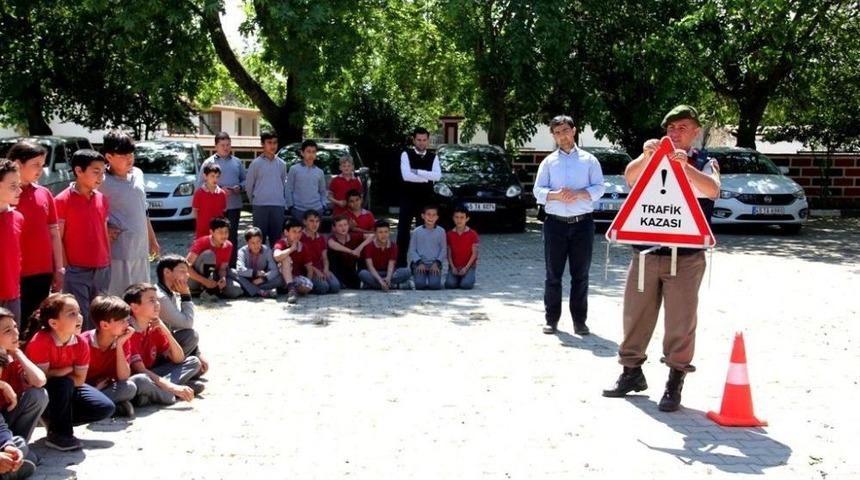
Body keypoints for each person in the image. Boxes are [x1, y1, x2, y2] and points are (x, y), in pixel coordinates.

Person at [603, 105, 720, 412]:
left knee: (680, 322)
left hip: (685, 257)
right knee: (635, 316)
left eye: (682, 127)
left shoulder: (705, 162)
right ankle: (631, 373)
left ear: (696, 131)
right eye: (671, 128)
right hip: (646, 252)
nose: (675, 133)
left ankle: (674, 381)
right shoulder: (654, 155)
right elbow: (629, 178)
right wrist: (645, 157)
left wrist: (687, 169)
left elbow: (713, 190)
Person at [533, 115, 605, 336]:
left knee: (580, 275)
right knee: (553, 275)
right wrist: (556, 195)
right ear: (553, 136)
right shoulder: (548, 162)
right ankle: (551, 320)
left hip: (582, 224)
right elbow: (538, 191)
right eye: (557, 133)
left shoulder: (589, 160)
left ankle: (579, 322)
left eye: (565, 130)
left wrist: (580, 193)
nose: (562, 136)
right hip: (555, 225)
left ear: (573, 130)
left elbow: (599, 188)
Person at [24, 294, 115, 451]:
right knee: (63, 383)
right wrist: (66, 370)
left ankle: (54, 419)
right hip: (41, 393)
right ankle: (60, 434)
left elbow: (80, 380)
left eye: (78, 311)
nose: (79, 317)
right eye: (72, 313)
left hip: (69, 387)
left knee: (105, 407)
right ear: (54, 323)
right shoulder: (40, 342)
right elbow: (40, 380)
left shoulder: (80, 343)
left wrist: (57, 373)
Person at [8, 141, 64, 326]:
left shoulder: (44, 193)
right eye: (36, 165)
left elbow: (54, 233)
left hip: (42, 271)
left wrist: (59, 268)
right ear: (17, 164)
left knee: (36, 323)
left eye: (43, 164)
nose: (41, 170)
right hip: (14, 273)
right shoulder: (6, 196)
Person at [55, 149, 112, 331]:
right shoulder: (62, 200)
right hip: (76, 269)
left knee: (101, 314)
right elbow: (58, 237)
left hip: (102, 267)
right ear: (78, 171)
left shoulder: (102, 198)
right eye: (96, 172)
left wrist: (107, 259)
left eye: (103, 172)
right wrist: (65, 268)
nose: (101, 177)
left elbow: (103, 230)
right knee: (81, 316)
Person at [99, 131, 160, 296]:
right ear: (109, 157)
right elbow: (88, 209)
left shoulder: (138, 174)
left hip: (140, 249)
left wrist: (152, 239)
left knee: (141, 296)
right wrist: (104, 227)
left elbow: (143, 209)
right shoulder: (100, 180)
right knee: (119, 298)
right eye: (123, 155)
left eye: (131, 154)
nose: (129, 158)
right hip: (118, 251)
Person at [123, 284, 202, 407]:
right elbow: (140, 370)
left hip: (153, 373)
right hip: (135, 378)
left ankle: (153, 394)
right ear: (134, 307)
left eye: (157, 300)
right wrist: (174, 388)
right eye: (151, 300)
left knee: (193, 362)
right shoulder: (127, 330)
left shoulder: (153, 325)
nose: (157, 304)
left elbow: (178, 358)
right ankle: (168, 394)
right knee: (142, 381)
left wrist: (165, 330)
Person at [0, 308, 48, 451]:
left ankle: (17, 446)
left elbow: (39, 380)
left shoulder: (13, 356)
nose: (16, 333)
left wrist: (18, 352)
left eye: (15, 327)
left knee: (39, 395)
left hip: (6, 417)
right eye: (7, 331)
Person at [81, 296, 136, 418]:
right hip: (85, 389)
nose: (127, 324)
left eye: (127, 320)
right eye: (122, 321)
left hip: (108, 387)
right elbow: (76, 380)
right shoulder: (84, 342)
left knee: (130, 387)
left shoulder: (123, 340)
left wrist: (120, 345)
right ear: (105, 325)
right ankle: (108, 407)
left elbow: (123, 377)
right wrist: (96, 390)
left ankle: (105, 407)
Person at [198, 132, 245, 267]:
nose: (226, 148)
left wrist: (239, 187)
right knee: (216, 237)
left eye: (228, 145)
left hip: (234, 205)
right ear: (216, 146)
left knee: (232, 237)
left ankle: (231, 266)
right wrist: (218, 190)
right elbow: (200, 184)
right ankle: (215, 266)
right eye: (222, 145)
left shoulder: (237, 162)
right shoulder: (208, 163)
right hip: (215, 207)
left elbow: (245, 180)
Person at [155, 255, 208, 373]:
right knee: (191, 335)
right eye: (183, 271)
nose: (187, 275)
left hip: (164, 343)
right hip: (153, 350)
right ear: (167, 272)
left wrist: (197, 352)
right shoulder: (160, 297)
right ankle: (168, 373)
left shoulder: (169, 292)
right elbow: (186, 323)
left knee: (190, 340)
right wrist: (186, 295)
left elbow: (178, 325)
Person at [396, 127, 441, 267]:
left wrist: (417, 172)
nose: (421, 143)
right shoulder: (406, 154)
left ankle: (421, 263)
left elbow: (437, 176)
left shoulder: (434, 156)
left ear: (428, 140)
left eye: (424, 140)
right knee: (403, 231)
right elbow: (406, 176)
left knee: (423, 232)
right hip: (407, 198)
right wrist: (426, 177)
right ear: (414, 140)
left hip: (425, 200)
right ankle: (400, 263)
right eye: (419, 140)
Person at [245, 131, 286, 246]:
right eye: (269, 142)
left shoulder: (282, 164)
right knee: (258, 239)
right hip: (260, 205)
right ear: (262, 144)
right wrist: (254, 201)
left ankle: (275, 263)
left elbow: (283, 184)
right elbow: (249, 186)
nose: (272, 146)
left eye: (275, 143)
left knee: (276, 239)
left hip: (277, 206)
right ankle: (259, 263)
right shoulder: (255, 164)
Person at [186, 217, 243, 300]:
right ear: (211, 232)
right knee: (209, 255)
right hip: (195, 279)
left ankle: (210, 290)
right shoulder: (202, 242)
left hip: (213, 277)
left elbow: (223, 268)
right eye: (220, 232)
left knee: (236, 290)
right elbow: (186, 266)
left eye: (226, 232)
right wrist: (205, 281)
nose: (224, 235)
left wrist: (222, 278)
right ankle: (206, 290)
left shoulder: (228, 245)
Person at [359, 220, 411, 291]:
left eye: (386, 232)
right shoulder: (369, 246)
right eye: (380, 232)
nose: (384, 235)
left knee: (406, 271)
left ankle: (373, 285)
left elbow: (391, 265)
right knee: (362, 274)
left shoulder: (393, 246)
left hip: (389, 272)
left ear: (389, 232)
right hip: (374, 273)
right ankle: (396, 286)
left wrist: (388, 278)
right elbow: (370, 267)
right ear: (375, 233)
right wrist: (380, 281)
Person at [0, 161, 22, 328]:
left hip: (13, 295)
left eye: (19, 185)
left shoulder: (18, 217)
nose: (19, 190)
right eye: (13, 186)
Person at [273, 218, 314, 304]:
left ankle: (289, 287)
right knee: (286, 258)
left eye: (299, 232)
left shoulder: (303, 246)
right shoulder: (281, 243)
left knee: (309, 286)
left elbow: (309, 268)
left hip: (294, 277)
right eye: (294, 231)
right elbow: (276, 256)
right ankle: (291, 290)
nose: (297, 235)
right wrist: (291, 249)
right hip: (279, 275)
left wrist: (307, 283)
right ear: (286, 232)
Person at [234, 227, 283, 298]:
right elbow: (240, 269)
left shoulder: (267, 250)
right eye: (252, 243)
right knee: (232, 272)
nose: (256, 245)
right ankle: (260, 291)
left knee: (280, 278)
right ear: (247, 243)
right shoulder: (242, 251)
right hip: (246, 278)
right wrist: (255, 273)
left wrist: (263, 279)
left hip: (261, 280)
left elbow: (274, 270)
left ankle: (249, 289)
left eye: (258, 242)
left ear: (262, 240)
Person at [326, 216, 373, 289]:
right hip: (335, 270)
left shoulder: (352, 236)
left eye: (345, 225)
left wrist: (359, 248)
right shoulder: (332, 238)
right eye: (340, 225)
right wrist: (352, 251)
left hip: (350, 270)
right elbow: (332, 244)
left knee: (356, 285)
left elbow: (372, 236)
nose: (343, 228)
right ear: (334, 228)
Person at [285, 140, 327, 220]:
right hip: (298, 210)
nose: (311, 154)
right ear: (302, 153)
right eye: (308, 151)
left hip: (316, 209)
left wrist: (323, 205)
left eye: (313, 152)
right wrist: (290, 206)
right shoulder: (294, 169)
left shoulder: (319, 172)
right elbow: (288, 188)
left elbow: (322, 191)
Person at [301, 210, 340, 294]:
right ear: (304, 222)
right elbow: (302, 261)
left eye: (317, 221)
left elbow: (325, 258)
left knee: (335, 287)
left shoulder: (321, 238)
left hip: (321, 268)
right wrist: (316, 271)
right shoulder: (300, 237)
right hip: (308, 269)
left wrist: (326, 269)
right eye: (311, 221)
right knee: (323, 288)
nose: (315, 224)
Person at [408, 205, 446, 290]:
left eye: (434, 215)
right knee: (420, 285)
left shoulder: (441, 231)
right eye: (428, 214)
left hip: (434, 264)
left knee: (434, 286)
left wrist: (437, 263)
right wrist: (419, 263)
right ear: (423, 216)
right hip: (420, 263)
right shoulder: (416, 231)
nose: (431, 217)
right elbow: (412, 250)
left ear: (437, 217)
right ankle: (414, 275)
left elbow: (443, 250)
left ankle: (434, 277)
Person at [445, 206, 480, 290]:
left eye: (462, 217)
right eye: (456, 217)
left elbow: (474, 254)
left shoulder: (473, 234)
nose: (459, 220)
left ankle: (469, 277)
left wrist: (466, 268)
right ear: (453, 218)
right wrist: (452, 267)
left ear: (467, 219)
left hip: (468, 266)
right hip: (455, 266)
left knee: (466, 285)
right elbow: (449, 253)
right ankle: (457, 278)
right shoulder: (449, 234)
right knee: (449, 285)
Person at [191, 163, 227, 240]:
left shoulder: (222, 193)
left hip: (217, 231)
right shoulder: (199, 193)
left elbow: (223, 212)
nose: (215, 179)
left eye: (217, 176)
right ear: (205, 176)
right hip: (202, 230)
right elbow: (195, 211)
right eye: (212, 176)